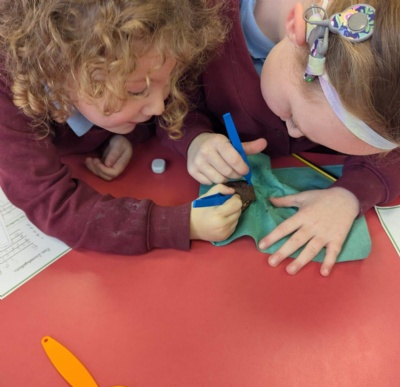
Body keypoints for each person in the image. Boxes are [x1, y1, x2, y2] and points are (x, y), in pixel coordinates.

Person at [160, 0, 400, 276]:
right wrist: (193, 138)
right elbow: (164, 102)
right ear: (294, 27)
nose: (293, 133)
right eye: (294, 117)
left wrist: (350, 195)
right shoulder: (192, 21)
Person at [0, 0, 244, 254]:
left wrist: (126, 134)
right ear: (58, 72)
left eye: (170, 81)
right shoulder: (8, 93)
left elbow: (168, 100)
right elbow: (54, 206)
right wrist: (179, 224)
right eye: (137, 91)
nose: (159, 107)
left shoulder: (134, 54)